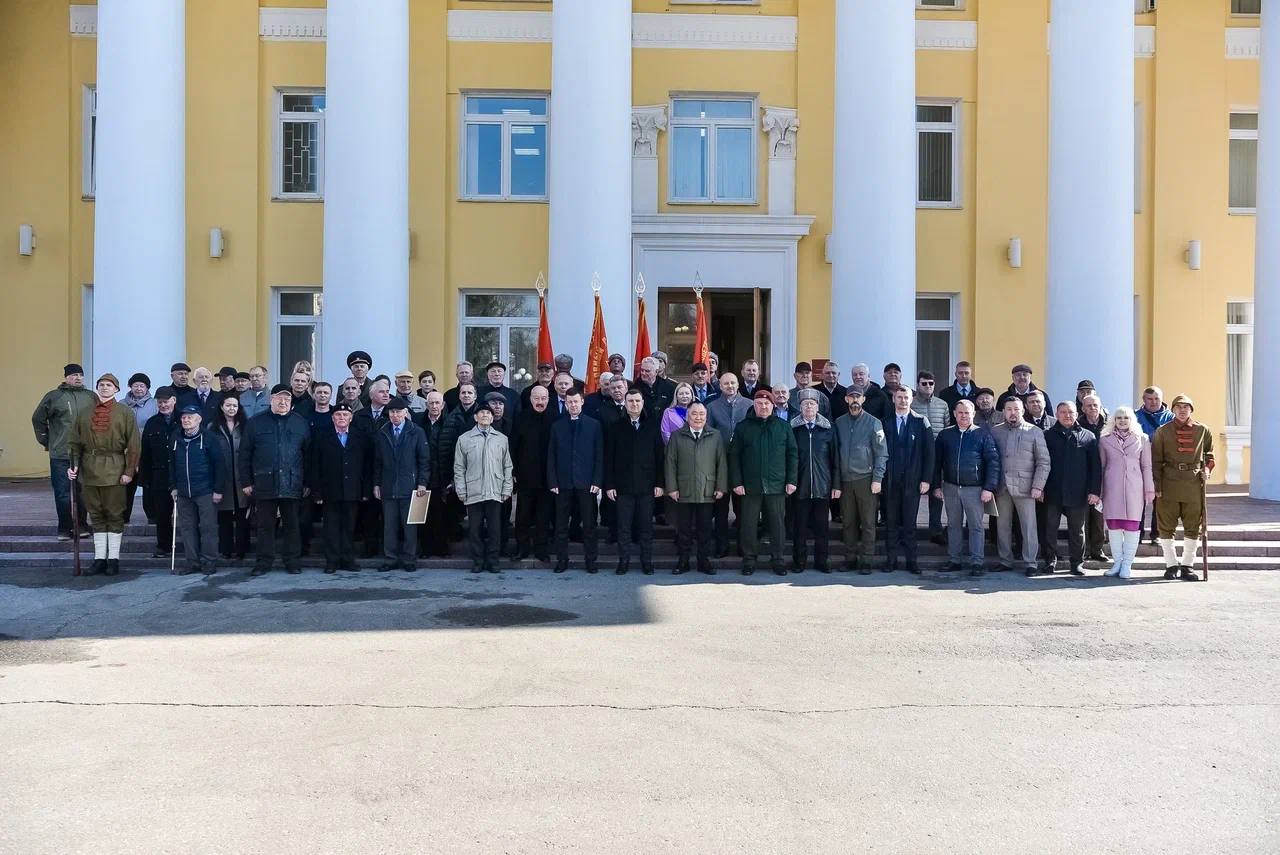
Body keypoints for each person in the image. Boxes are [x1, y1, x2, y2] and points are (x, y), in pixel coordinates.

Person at [67, 373, 140, 576]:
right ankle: (99, 559)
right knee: (96, 515)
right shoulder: (84, 413)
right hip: (89, 470)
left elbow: (134, 445)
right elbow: (74, 443)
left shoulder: (125, 413)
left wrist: (129, 471)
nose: (105, 388)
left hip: (115, 469)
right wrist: (73, 466)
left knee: (114, 514)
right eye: (101, 384)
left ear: (116, 389)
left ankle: (113, 560)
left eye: (109, 385)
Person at [239, 383, 311, 575]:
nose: (283, 401)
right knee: (265, 526)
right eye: (279, 398)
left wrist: (307, 483)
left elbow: (308, 456)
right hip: (264, 483)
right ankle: (263, 563)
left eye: (287, 399)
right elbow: (245, 454)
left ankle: (292, 562)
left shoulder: (300, 423)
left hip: (292, 483)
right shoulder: (255, 423)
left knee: (292, 525)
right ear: (271, 399)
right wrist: (246, 481)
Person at [729, 389, 798, 576]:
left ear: (773, 405)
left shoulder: (783, 427)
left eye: (767, 403)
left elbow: (792, 455)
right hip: (750, 486)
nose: (763, 406)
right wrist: (737, 482)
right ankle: (749, 559)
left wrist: (791, 480)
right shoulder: (743, 427)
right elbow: (734, 456)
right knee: (748, 524)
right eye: (759, 403)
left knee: (777, 525)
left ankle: (778, 559)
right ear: (754, 405)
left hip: (776, 485)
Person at [932, 400, 1001, 576]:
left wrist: (989, 488)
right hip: (951, 487)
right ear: (954, 414)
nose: (964, 416)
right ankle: (954, 560)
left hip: (975, 489)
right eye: (960, 412)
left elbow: (993, 462)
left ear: (973, 414)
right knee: (954, 525)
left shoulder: (983, 434)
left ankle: (977, 562)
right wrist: (936, 485)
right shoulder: (945, 435)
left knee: (976, 526)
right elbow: (936, 462)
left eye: (967, 413)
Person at [1152, 394, 1214, 581]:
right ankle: (1171, 564)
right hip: (1169, 482)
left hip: (1194, 484)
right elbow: (1156, 461)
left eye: (1186, 407)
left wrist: (1207, 470)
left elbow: (1209, 456)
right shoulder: (1163, 431)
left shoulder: (1203, 430)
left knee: (1193, 525)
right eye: (1178, 406)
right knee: (1166, 526)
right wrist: (1157, 485)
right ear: (1172, 409)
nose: (1182, 410)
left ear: (1191, 409)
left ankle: (1187, 565)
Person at [31, 363, 97, 540]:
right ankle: (64, 528)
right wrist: (47, 440)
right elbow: (37, 419)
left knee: (83, 492)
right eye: (74, 375)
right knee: (62, 493)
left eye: (80, 375)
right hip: (61, 454)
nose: (78, 378)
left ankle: (82, 525)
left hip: (85, 453)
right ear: (66, 377)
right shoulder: (54, 396)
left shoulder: (91, 396)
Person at [604, 389, 665, 575]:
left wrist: (660, 484)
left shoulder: (652, 425)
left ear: (643, 402)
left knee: (646, 527)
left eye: (638, 401)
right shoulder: (615, 426)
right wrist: (610, 484)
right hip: (623, 487)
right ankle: (624, 561)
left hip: (647, 486)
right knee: (623, 527)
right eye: (631, 401)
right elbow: (609, 458)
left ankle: (647, 561)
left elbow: (659, 456)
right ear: (626, 402)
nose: (634, 404)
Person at [307, 402, 373, 572]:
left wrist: (365, 490)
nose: (341, 418)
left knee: (349, 527)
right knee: (331, 528)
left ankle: (348, 559)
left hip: (353, 490)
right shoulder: (322, 436)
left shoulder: (360, 437)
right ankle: (332, 561)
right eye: (338, 415)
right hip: (330, 491)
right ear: (332, 417)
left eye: (345, 415)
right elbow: (315, 466)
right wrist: (317, 492)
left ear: (351, 418)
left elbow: (367, 465)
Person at [1040, 401, 1102, 576]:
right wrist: (1040, 488)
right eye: (1063, 412)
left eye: (1071, 412)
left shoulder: (1088, 437)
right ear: (1057, 414)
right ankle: (1050, 561)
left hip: (1078, 491)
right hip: (1053, 490)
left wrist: (1094, 491)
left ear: (1077, 414)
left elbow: (1095, 467)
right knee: (1050, 528)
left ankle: (1076, 563)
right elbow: (1041, 463)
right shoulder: (1047, 435)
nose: (1067, 415)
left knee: (1077, 530)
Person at [665, 402, 727, 575]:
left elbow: (721, 462)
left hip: (707, 490)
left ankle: (703, 561)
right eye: (694, 414)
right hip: (683, 490)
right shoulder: (677, 436)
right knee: (684, 529)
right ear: (687, 416)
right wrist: (671, 487)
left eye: (701, 414)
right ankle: (683, 561)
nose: (698, 417)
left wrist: (721, 486)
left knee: (705, 529)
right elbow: (670, 463)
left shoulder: (715, 435)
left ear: (706, 416)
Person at [989, 398, 1050, 576]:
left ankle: (1031, 562)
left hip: (1026, 487)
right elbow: (990, 459)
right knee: (1002, 525)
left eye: (1016, 409)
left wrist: (1038, 486)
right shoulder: (996, 431)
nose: (1012, 412)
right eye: (1009, 409)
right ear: (1004, 412)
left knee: (1029, 526)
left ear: (1023, 410)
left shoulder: (1034, 431)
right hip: (1002, 487)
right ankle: (1005, 560)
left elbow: (1044, 462)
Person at [454, 402, 515, 573]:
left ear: (492, 417)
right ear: (475, 417)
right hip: (473, 491)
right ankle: (478, 561)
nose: (485, 416)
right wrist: (461, 489)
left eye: (488, 413)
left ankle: (493, 561)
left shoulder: (501, 439)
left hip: (495, 490)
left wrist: (506, 488)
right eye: (481, 413)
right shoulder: (464, 439)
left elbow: (507, 466)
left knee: (495, 530)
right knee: (475, 530)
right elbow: (459, 467)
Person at [547, 390, 604, 573]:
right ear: (566, 403)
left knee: (589, 525)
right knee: (561, 526)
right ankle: (562, 560)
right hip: (562, 484)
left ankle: (591, 561)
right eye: (570, 402)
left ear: (582, 402)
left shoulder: (594, 425)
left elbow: (599, 455)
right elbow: (551, 456)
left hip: (587, 483)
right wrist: (552, 480)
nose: (573, 405)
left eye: (576, 402)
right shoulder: (557, 426)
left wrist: (597, 480)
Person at [372, 398, 430, 572]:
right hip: (388, 486)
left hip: (410, 487)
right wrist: (376, 484)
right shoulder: (382, 432)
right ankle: (390, 559)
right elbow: (377, 462)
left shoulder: (417, 432)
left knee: (410, 527)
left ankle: (409, 560)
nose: (395, 415)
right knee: (389, 527)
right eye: (392, 412)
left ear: (406, 413)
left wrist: (422, 483)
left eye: (398, 412)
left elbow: (424, 460)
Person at [882, 387, 934, 574]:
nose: (903, 400)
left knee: (910, 524)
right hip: (890, 481)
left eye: (906, 397)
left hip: (913, 481)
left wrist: (927, 479)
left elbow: (930, 453)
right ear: (894, 399)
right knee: (891, 523)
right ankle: (891, 560)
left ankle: (912, 561)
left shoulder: (921, 422)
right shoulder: (885, 422)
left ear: (912, 400)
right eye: (899, 397)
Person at [1098, 406, 1155, 580]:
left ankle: (1127, 564)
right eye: (1119, 417)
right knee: (1114, 527)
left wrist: (1149, 489)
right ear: (1113, 420)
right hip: (1112, 487)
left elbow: (1147, 466)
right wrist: (1099, 492)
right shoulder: (1104, 440)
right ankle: (1117, 563)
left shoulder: (1142, 439)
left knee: (1132, 526)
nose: (1122, 420)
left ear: (1132, 420)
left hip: (1135, 488)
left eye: (1126, 417)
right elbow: (1101, 467)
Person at [834, 389, 887, 572]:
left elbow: (882, 453)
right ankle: (849, 558)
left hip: (866, 479)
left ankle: (866, 560)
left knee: (868, 523)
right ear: (846, 399)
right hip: (846, 481)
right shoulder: (839, 422)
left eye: (858, 397)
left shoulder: (874, 422)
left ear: (863, 399)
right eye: (851, 397)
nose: (854, 400)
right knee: (848, 522)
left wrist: (877, 478)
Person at [790, 390, 839, 573]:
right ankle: (799, 561)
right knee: (799, 528)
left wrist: (836, 485)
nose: (809, 407)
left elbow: (835, 459)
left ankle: (822, 560)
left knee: (822, 528)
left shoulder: (828, 429)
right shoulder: (793, 428)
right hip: (800, 486)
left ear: (818, 407)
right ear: (800, 407)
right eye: (805, 404)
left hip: (822, 486)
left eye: (812, 403)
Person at [169, 404, 220, 575]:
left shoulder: (209, 438)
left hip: (205, 490)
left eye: (190, 417)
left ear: (199, 419)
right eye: (183, 417)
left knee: (208, 528)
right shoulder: (176, 438)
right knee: (187, 528)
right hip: (183, 492)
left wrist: (218, 489)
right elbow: (172, 465)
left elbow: (219, 464)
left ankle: (209, 561)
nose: (186, 420)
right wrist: (173, 487)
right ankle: (192, 562)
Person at [706, 372, 751, 556]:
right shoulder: (712, 407)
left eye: (732, 383)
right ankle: (721, 547)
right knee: (721, 510)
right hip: (720, 464)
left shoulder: (749, 405)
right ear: (721, 386)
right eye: (726, 384)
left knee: (743, 511)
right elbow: (708, 435)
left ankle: (743, 547)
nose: (730, 386)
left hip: (743, 465)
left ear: (737, 384)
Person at [510, 384, 555, 562]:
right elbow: (513, 445)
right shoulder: (521, 418)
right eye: (536, 398)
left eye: (543, 398)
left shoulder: (554, 418)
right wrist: (513, 471)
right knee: (523, 515)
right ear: (530, 399)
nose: (540, 402)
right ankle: (522, 548)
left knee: (544, 516)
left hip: (547, 477)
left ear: (548, 400)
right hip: (525, 476)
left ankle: (541, 549)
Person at [138, 388, 179, 557]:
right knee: (162, 515)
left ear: (174, 401)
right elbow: (145, 453)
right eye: (160, 402)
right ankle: (163, 546)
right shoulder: (152, 423)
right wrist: (145, 479)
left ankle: (192, 547)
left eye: (166, 401)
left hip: (181, 475)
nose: (163, 405)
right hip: (159, 476)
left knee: (189, 516)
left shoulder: (184, 419)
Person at [911, 370, 950, 545]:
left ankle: (935, 530)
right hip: (916, 455)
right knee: (914, 493)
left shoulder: (942, 404)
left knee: (936, 493)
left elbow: (948, 427)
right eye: (924, 383)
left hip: (938, 455)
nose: (928, 386)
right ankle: (910, 529)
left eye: (931, 383)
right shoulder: (911, 404)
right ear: (918, 385)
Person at [211, 395, 250, 561]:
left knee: (243, 515)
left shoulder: (246, 425)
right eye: (228, 405)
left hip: (242, 476)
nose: (232, 408)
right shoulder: (213, 427)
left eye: (235, 405)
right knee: (224, 515)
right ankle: (225, 549)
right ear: (222, 407)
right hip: (223, 477)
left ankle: (242, 549)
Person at [415, 390, 452, 558]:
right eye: (431, 403)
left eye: (438, 403)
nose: (435, 406)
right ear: (426, 404)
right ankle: (425, 549)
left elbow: (453, 450)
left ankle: (442, 548)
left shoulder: (451, 422)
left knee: (441, 514)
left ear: (443, 405)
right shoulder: (418, 422)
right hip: (421, 476)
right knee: (422, 515)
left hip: (442, 475)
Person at [1135, 385, 1173, 543]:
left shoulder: (1171, 417)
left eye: (1156, 398)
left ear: (1162, 399)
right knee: (1138, 500)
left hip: (1162, 465)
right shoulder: (1134, 416)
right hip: (1139, 463)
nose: (1153, 402)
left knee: (1160, 501)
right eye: (1149, 399)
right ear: (1143, 400)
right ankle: (1137, 533)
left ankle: (1156, 534)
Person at [120, 372, 157, 523]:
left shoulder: (154, 404)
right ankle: (123, 516)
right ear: (130, 386)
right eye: (136, 385)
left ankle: (152, 515)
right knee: (127, 484)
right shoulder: (121, 403)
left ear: (147, 387)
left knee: (148, 484)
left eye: (142, 386)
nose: (139, 388)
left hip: (148, 451)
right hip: (127, 451)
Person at [1077, 392, 1110, 560]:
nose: (1092, 408)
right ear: (1082, 408)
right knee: (1083, 515)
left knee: (1099, 515)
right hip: (1083, 473)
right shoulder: (1077, 425)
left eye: (1095, 405)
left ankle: (1097, 549)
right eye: (1088, 405)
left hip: (1104, 473)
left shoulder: (1109, 425)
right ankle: (1084, 550)